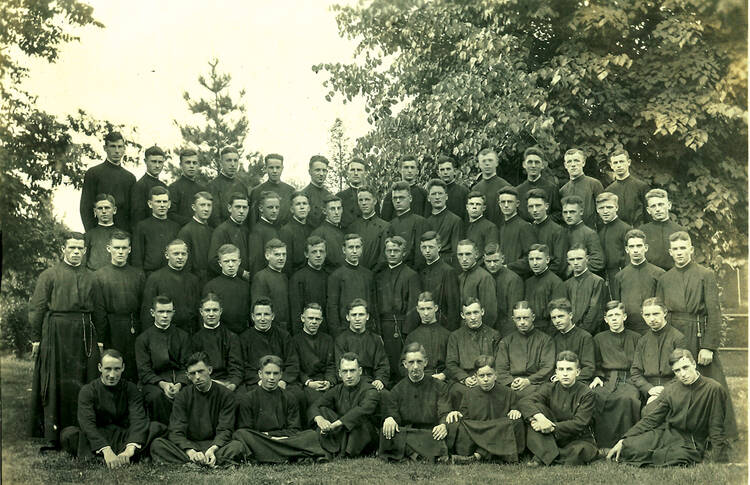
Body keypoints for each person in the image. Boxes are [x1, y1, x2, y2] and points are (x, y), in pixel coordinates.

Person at [657, 231, 737, 436]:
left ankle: (719, 432)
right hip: (675, 334)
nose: (679, 252)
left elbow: (714, 312)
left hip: (698, 332)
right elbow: (661, 313)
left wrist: (708, 346)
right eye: (675, 249)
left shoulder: (705, 274)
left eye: (683, 248)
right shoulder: (665, 279)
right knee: (678, 380)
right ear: (670, 252)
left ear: (691, 250)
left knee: (710, 382)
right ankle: (681, 430)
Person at [29, 232, 101, 447]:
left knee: (84, 378)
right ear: (63, 249)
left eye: (80, 248)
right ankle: (53, 433)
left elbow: (98, 310)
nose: (76, 252)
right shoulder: (49, 275)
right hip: (57, 331)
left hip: (84, 331)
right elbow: (37, 308)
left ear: (85, 250)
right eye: (72, 248)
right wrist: (36, 339)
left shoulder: (92, 276)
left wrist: (100, 340)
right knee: (55, 380)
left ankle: (82, 429)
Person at [608, 349, 730, 466]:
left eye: (685, 367)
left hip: (692, 441)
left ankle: (666, 455)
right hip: (669, 433)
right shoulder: (671, 389)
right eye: (677, 371)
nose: (682, 374)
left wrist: (721, 459)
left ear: (694, 364)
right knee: (629, 447)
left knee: (678, 456)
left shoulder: (713, 388)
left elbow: (716, 425)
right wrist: (624, 439)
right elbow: (652, 418)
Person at [60, 350, 165, 467]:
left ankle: (121, 456)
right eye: (108, 369)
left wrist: (130, 448)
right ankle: (112, 456)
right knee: (68, 434)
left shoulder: (131, 389)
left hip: (125, 436)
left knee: (155, 427)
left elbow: (138, 419)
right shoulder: (88, 391)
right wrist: (106, 449)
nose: (112, 375)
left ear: (123, 368)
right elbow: (87, 424)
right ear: (100, 367)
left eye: (117, 369)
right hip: (100, 436)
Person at [149, 352, 246, 466]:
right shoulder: (183, 396)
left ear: (209, 370)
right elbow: (176, 430)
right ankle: (205, 462)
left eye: (201, 371)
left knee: (237, 446)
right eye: (192, 374)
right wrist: (190, 451)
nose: (197, 377)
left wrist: (212, 450)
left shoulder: (226, 395)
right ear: (188, 376)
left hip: (215, 445)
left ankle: (195, 462)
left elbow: (225, 429)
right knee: (157, 445)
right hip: (190, 445)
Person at [233, 355, 327, 463]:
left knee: (311, 435)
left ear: (281, 375)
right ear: (260, 374)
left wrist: (271, 436)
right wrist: (269, 438)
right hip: (261, 440)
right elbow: (247, 430)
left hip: (281, 439)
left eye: (276, 373)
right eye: (268, 373)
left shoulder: (289, 397)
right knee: (240, 434)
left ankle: (267, 456)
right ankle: (293, 454)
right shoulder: (248, 398)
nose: (272, 378)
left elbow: (294, 429)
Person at [518, 350, 598, 466]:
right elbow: (525, 402)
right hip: (550, 435)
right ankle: (548, 453)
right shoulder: (549, 388)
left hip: (576, 437)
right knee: (536, 408)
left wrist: (552, 427)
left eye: (569, 369)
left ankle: (542, 455)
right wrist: (541, 418)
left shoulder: (587, 393)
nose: (565, 374)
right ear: (556, 372)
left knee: (579, 451)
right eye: (561, 369)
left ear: (577, 372)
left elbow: (579, 423)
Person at [379, 343, 452, 462]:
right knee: (386, 431)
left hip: (431, 432)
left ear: (426, 362)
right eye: (411, 362)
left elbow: (445, 411)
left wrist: (443, 424)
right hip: (409, 433)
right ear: (405, 364)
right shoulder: (397, 390)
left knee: (449, 429)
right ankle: (424, 454)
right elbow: (393, 415)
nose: (415, 366)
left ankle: (412, 454)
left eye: (419, 361)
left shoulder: (439, 386)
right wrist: (390, 418)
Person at [446, 355, 525, 463]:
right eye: (481, 376)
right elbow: (465, 417)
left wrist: (515, 411)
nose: (485, 379)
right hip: (479, 432)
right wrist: (457, 413)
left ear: (496, 375)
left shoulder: (508, 392)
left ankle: (477, 456)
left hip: (499, 431)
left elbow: (515, 411)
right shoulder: (469, 394)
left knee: (514, 422)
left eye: (489, 375)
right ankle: (488, 454)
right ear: (475, 376)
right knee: (458, 423)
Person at [92, 230, 145, 383]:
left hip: (133, 327)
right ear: (109, 249)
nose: (120, 252)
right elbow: (99, 310)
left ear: (130, 249)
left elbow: (143, 306)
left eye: (124, 248)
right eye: (116, 248)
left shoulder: (138, 275)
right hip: (111, 328)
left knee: (131, 370)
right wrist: (101, 338)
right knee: (112, 368)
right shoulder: (99, 276)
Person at [590, 301, 642, 448]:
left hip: (630, 378)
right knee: (596, 395)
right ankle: (602, 444)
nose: (614, 319)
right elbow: (596, 362)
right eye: (610, 316)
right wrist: (597, 376)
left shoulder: (636, 338)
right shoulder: (599, 338)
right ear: (605, 319)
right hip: (607, 378)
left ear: (624, 317)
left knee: (627, 399)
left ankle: (626, 442)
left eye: (617, 315)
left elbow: (639, 364)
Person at [309, 352, 381, 458]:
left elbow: (362, 411)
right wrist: (319, 419)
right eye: (345, 371)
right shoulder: (337, 390)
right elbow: (315, 405)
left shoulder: (370, 390)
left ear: (360, 371)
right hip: (343, 433)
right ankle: (335, 449)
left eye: (352, 371)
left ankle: (336, 451)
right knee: (323, 410)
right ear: (339, 373)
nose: (348, 376)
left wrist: (334, 425)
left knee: (358, 423)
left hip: (364, 436)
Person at [135, 295, 191, 425]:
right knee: (156, 397)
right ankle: (163, 432)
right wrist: (163, 384)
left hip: (179, 380)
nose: (165, 316)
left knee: (189, 394)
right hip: (154, 382)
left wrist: (179, 384)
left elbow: (187, 366)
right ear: (152, 313)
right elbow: (144, 371)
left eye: (168, 312)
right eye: (161, 312)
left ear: (173, 313)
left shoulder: (183, 336)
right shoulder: (143, 339)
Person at [375, 236, 422, 383]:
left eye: (396, 250)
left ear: (404, 253)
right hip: (383, 326)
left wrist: (407, 333)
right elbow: (376, 305)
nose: (392, 254)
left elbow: (413, 306)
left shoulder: (411, 275)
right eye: (389, 250)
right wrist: (377, 330)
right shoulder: (380, 275)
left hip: (401, 328)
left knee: (399, 365)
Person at [629, 298, 686, 407]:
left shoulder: (678, 338)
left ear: (664, 313)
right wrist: (649, 389)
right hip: (648, 388)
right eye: (647, 315)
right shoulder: (643, 340)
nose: (652, 319)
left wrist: (665, 390)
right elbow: (635, 372)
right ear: (642, 316)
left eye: (655, 314)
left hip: (673, 387)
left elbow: (683, 370)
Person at [445, 298, 501, 406]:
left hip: (488, 378)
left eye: (476, 312)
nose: (473, 317)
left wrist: (486, 378)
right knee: (456, 392)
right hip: (465, 380)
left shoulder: (494, 335)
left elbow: (499, 362)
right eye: (468, 313)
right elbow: (451, 363)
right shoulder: (455, 336)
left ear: (482, 312)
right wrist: (464, 378)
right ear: (462, 315)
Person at [239, 298, 301, 395]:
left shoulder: (284, 336)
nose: (262, 318)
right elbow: (243, 366)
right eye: (258, 314)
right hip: (256, 382)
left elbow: (292, 363)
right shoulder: (244, 338)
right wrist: (258, 381)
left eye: (266, 314)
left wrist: (283, 380)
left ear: (272, 316)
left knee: (298, 396)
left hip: (281, 380)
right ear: (253, 317)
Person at [495, 301, 555, 399]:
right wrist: (511, 382)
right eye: (518, 318)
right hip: (511, 385)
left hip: (535, 384)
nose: (522, 322)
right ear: (513, 319)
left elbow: (547, 368)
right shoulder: (506, 341)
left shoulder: (546, 340)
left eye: (526, 318)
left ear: (533, 317)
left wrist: (528, 381)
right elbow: (500, 368)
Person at [610, 229, 665, 334]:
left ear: (646, 248)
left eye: (639, 246)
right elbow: (618, 306)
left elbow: (663, 304)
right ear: (627, 249)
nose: (635, 250)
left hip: (653, 328)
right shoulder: (619, 277)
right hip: (629, 330)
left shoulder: (659, 274)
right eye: (631, 246)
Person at [140, 239, 200, 334]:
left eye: (183, 254)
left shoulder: (193, 280)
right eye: (176, 254)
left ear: (187, 255)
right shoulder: (155, 278)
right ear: (167, 255)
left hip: (188, 332)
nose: (180, 257)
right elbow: (147, 312)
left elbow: (197, 311)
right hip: (164, 332)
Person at [80, 132, 136, 231]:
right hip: (100, 231)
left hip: (123, 234)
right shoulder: (93, 173)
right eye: (113, 146)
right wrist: (92, 233)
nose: (117, 151)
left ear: (124, 149)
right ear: (105, 148)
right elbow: (85, 208)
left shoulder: (130, 178)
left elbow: (132, 211)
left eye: (120, 147)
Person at [190, 293, 243, 392]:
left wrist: (232, 384)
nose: (211, 314)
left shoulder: (231, 337)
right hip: (204, 384)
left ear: (221, 311)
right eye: (207, 310)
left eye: (215, 310)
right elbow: (194, 369)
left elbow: (236, 368)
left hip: (228, 383)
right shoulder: (195, 339)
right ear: (201, 312)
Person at [326, 234, 378, 336]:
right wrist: (337, 332)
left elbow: (374, 305)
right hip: (344, 330)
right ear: (344, 250)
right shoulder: (336, 275)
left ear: (362, 249)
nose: (354, 251)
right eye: (351, 247)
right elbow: (332, 306)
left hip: (367, 330)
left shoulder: (368, 275)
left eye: (357, 247)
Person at [334, 299, 390, 391]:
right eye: (353, 315)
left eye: (361, 315)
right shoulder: (341, 340)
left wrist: (379, 379)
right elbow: (340, 368)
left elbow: (382, 365)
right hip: (350, 384)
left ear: (367, 316)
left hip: (372, 383)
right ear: (348, 317)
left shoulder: (375, 339)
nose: (357, 319)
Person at [290, 303, 337, 409]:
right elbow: (295, 367)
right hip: (305, 383)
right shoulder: (295, 341)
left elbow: (331, 364)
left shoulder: (328, 339)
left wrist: (329, 382)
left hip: (324, 382)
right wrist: (308, 382)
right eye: (310, 318)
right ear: (303, 318)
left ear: (321, 320)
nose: (314, 322)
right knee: (315, 400)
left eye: (317, 319)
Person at [131, 186, 181, 276]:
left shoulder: (175, 227)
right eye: (158, 202)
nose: (162, 205)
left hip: (171, 274)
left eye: (164, 202)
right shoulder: (142, 226)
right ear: (150, 204)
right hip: (149, 274)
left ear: (169, 204)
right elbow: (137, 257)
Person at [202, 244, 250, 335]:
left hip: (243, 334)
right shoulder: (211, 286)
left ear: (239, 262)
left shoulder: (246, 286)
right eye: (226, 261)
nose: (231, 265)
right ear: (220, 263)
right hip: (219, 335)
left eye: (234, 261)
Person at [417, 232, 461, 330]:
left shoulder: (448, 271)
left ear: (439, 248)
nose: (427, 251)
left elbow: (453, 306)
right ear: (420, 249)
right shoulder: (420, 270)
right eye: (424, 247)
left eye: (431, 247)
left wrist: (450, 330)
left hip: (442, 325)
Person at [404, 292, 451, 380]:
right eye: (422, 309)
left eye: (429, 308)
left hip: (441, 379)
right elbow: (402, 365)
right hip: (419, 379)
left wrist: (444, 375)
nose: (425, 313)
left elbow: (453, 362)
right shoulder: (412, 336)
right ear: (417, 309)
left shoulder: (447, 335)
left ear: (435, 308)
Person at [549, 298, 596, 384]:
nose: (557, 321)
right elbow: (550, 366)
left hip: (579, 382)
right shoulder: (554, 338)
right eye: (554, 318)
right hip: (557, 382)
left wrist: (568, 379)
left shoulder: (585, 337)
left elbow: (589, 369)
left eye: (560, 316)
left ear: (570, 315)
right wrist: (555, 377)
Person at [385, 180, 430, 268]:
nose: (398, 201)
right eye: (395, 198)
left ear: (410, 198)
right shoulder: (390, 224)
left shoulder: (420, 222)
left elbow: (420, 256)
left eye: (401, 197)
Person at [289, 236, 330, 334]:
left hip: (324, 333)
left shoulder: (329, 277)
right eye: (314, 252)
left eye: (321, 251)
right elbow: (296, 312)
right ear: (306, 254)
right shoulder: (298, 278)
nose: (318, 255)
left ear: (326, 254)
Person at [483, 243, 524, 337]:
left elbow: (513, 313)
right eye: (488, 261)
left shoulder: (513, 279)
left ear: (502, 259)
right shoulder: (482, 276)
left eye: (496, 261)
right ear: (484, 260)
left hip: (505, 330)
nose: (492, 265)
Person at [208, 192, 252, 280]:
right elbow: (213, 261)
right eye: (238, 207)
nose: (241, 211)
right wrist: (241, 272)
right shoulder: (221, 230)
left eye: (244, 208)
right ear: (229, 208)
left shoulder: (247, 230)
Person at [638, 188, 686, 270]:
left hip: (673, 276)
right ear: (648, 210)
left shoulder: (679, 230)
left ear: (669, 205)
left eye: (661, 204)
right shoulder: (642, 231)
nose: (657, 209)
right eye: (653, 206)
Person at [251, 238, 291, 333]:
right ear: (267, 256)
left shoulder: (284, 277)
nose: (281, 258)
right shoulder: (261, 277)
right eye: (277, 254)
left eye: (284, 254)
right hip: (270, 330)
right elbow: (259, 309)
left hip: (284, 330)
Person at [564, 245, 606, 335]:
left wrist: (582, 333)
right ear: (568, 261)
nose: (575, 263)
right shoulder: (567, 284)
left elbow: (595, 312)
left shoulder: (597, 281)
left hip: (590, 333)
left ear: (587, 259)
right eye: (572, 259)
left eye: (579, 259)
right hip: (571, 332)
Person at [524, 244, 566, 334]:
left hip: (547, 331)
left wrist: (548, 337)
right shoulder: (528, 282)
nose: (534, 263)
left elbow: (558, 314)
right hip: (529, 330)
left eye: (538, 259)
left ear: (547, 260)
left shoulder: (556, 282)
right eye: (531, 259)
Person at [456, 239, 498, 329]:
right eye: (460, 254)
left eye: (468, 254)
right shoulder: (460, 277)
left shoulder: (484, 277)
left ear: (476, 255)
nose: (464, 259)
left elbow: (490, 313)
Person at [345, 186, 388, 270]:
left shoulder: (384, 227)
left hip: (375, 276)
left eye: (367, 199)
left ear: (375, 201)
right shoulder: (352, 227)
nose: (364, 203)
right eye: (361, 200)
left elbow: (384, 257)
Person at [559, 148, 604, 229]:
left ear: (583, 163)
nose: (573, 164)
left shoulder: (594, 184)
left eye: (576, 160)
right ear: (565, 165)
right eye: (569, 161)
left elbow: (602, 213)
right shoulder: (563, 190)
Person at [596, 192, 633, 291]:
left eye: (609, 207)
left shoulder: (626, 229)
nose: (605, 211)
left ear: (616, 208)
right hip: (604, 275)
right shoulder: (599, 230)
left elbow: (629, 258)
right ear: (597, 210)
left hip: (620, 273)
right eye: (601, 208)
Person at [604, 148, 650, 227]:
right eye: (615, 163)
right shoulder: (609, 191)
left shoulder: (641, 187)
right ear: (611, 166)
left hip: (638, 231)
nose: (619, 165)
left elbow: (648, 215)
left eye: (621, 161)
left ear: (628, 162)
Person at [176, 191, 214, 286]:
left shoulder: (212, 230)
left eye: (209, 205)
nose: (206, 209)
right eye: (202, 205)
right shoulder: (186, 231)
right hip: (195, 282)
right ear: (194, 207)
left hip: (211, 280)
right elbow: (185, 264)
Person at [496, 186, 536, 276]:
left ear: (517, 203)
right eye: (503, 202)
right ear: (499, 204)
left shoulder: (524, 227)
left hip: (518, 277)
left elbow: (530, 258)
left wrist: (508, 267)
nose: (506, 205)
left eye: (510, 202)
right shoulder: (501, 226)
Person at [207, 145, 249, 227]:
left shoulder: (242, 186)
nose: (233, 164)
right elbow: (214, 218)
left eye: (235, 160)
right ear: (221, 162)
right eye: (229, 160)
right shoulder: (212, 186)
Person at [527, 189, 567, 276]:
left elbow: (559, 263)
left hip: (551, 278)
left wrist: (542, 276)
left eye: (538, 206)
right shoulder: (528, 229)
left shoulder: (558, 230)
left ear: (546, 206)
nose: (534, 210)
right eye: (531, 206)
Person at [561, 195, 605, 275]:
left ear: (581, 212)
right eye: (565, 212)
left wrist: (573, 268)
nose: (568, 216)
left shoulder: (589, 234)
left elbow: (598, 262)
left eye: (572, 212)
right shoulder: (562, 232)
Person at [516, 146, 562, 223]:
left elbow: (558, 214)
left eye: (537, 162)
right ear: (524, 164)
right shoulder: (518, 190)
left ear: (542, 165)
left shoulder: (551, 188)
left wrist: (542, 221)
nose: (533, 166)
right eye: (530, 162)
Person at [249, 153, 295, 226]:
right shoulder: (256, 191)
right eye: (271, 167)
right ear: (265, 168)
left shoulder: (291, 191)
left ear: (282, 168)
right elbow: (253, 220)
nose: (274, 171)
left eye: (277, 167)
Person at [425, 178, 463, 265]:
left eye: (440, 194)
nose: (437, 197)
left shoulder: (455, 220)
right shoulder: (426, 222)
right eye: (434, 194)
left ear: (446, 197)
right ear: (428, 198)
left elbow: (456, 253)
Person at [381, 155, 429, 220]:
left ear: (417, 171)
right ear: (400, 170)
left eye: (412, 167)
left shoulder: (423, 194)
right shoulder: (391, 195)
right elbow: (385, 220)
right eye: (406, 167)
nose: (409, 171)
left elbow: (427, 218)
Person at [471, 148, 511, 226]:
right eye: (484, 161)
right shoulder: (475, 189)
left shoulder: (505, 187)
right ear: (479, 164)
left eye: (490, 160)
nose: (487, 164)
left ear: (496, 163)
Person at [130, 145, 167, 228]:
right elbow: (137, 218)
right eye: (153, 161)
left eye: (160, 162)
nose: (157, 165)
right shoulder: (140, 186)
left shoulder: (164, 186)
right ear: (145, 161)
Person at [168, 148, 205, 226]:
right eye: (188, 162)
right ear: (181, 165)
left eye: (194, 163)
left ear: (198, 165)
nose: (191, 166)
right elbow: (170, 215)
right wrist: (193, 222)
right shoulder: (174, 188)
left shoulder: (202, 189)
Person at [279, 191, 313, 274]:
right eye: (298, 204)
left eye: (304, 204)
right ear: (291, 209)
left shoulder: (312, 229)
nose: (302, 207)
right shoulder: (286, 231)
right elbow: (287, 263)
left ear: (309, 208)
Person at [84, 194, 120, 271]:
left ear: (114, 210)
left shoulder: (123, 235)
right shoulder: (88, 236)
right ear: (95, 211)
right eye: (100, 208)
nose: (104, 211)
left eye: (107, 208)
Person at [311, 195, 346, 270]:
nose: (337, 212)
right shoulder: (319, 233)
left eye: (339, 208)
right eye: (332, 209)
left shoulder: (343, 231)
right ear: (324, 211)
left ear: (342, 210)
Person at [464, 191, 498, 257]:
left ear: (484, 208)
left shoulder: (490, 227)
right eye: (471, 204)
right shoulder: (464, 226)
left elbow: (490, 254)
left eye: (478, 204)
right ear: (467, 207)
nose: (474, 207)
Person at [302, 155, 333, 228]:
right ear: (310, 172)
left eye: (324, 170)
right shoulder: (303, 195)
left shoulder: (329, 195)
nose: (321, 174)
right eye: (317, 170)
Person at [337, 157, 368, 228]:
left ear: (365, 173)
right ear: (348, 173)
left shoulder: (372, 195)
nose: (356, 173)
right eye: (352, 170)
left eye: (359, 170)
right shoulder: (340, 197)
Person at [436, 155, 469, 220]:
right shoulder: (434, 193)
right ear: (438, 173)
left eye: (448, 169)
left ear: (454, 171)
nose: (445, 172)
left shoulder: (464, 192)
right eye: (442, 170)